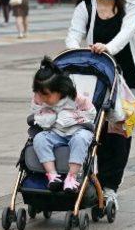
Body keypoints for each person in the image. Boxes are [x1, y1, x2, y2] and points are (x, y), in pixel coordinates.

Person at [65, 0, 135, 212]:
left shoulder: (131, 2)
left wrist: (106, 48)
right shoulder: (85, 7)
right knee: (91, 129)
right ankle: (88, 179)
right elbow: (73, 37)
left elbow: (126, 33)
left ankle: (110, 187)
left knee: (119, 133)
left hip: (125, 79)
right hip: (94, 80)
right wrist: (77, 53)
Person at [31, 58, 96, 192]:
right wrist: (46, 117)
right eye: (39, 94)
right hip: (55, 132)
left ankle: (71, 177)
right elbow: (37, 113)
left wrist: (74, 118)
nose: (43, 99)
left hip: (77, 129)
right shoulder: (40, 99)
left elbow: (91, 113)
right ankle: (53, 175)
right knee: (39, 139)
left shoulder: (76, 99)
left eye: (46, 96)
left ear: (60, 91)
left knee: (81, 138)